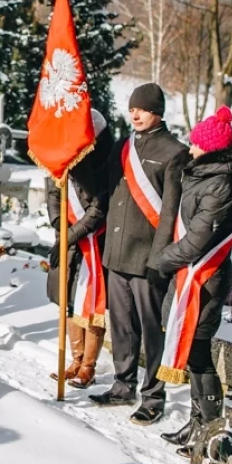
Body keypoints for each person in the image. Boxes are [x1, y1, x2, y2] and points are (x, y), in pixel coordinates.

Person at [153, 106, 232, 457]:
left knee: (199, 356)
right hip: (191, 275)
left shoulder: (221, 185)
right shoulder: (207, 176)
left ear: (210, 149)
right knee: (196, 355)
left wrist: (162, 260)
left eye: (195, 144)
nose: (190, 149)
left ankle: (213, 430)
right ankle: (199, 421)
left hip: (204, 279)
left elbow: (197, 241)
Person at [89, 83, 187, 426]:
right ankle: (123, 384)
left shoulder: (176, 152)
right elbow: (105, 185)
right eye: (132, 109)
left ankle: (154, 395)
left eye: (142, 109)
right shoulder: (123, 146)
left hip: (147, 257)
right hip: (116, 254)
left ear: (156, 112)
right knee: (121, 326)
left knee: (150, 330)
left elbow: (170, 211)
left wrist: (160, 259)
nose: (135, 114)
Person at [47, 109, 113, 388]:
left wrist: (69, 236)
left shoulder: (107, 161)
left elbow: (100, 208)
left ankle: (88, 365)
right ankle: (74, 360)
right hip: (70, 237)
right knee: (69, 300)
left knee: (91, 304)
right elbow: (53, 191)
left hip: (94, 241)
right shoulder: (66, 156)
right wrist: (60, 226)